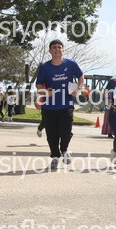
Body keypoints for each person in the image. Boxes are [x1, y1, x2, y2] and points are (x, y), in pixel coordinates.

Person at [36, 39, 84, 170]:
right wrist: (45, 91)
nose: (57, 49)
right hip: (49, 106)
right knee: (51, 135)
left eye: (59, 47)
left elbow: (81, 76)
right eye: (54, 47)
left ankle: (64, 150)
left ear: (63, 50)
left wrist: (78, 89)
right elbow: (38, 84)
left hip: (66, 104)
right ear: (50, 51)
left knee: (66, 131)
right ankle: (55, 157)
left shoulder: (71, 64)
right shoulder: (45, 67)